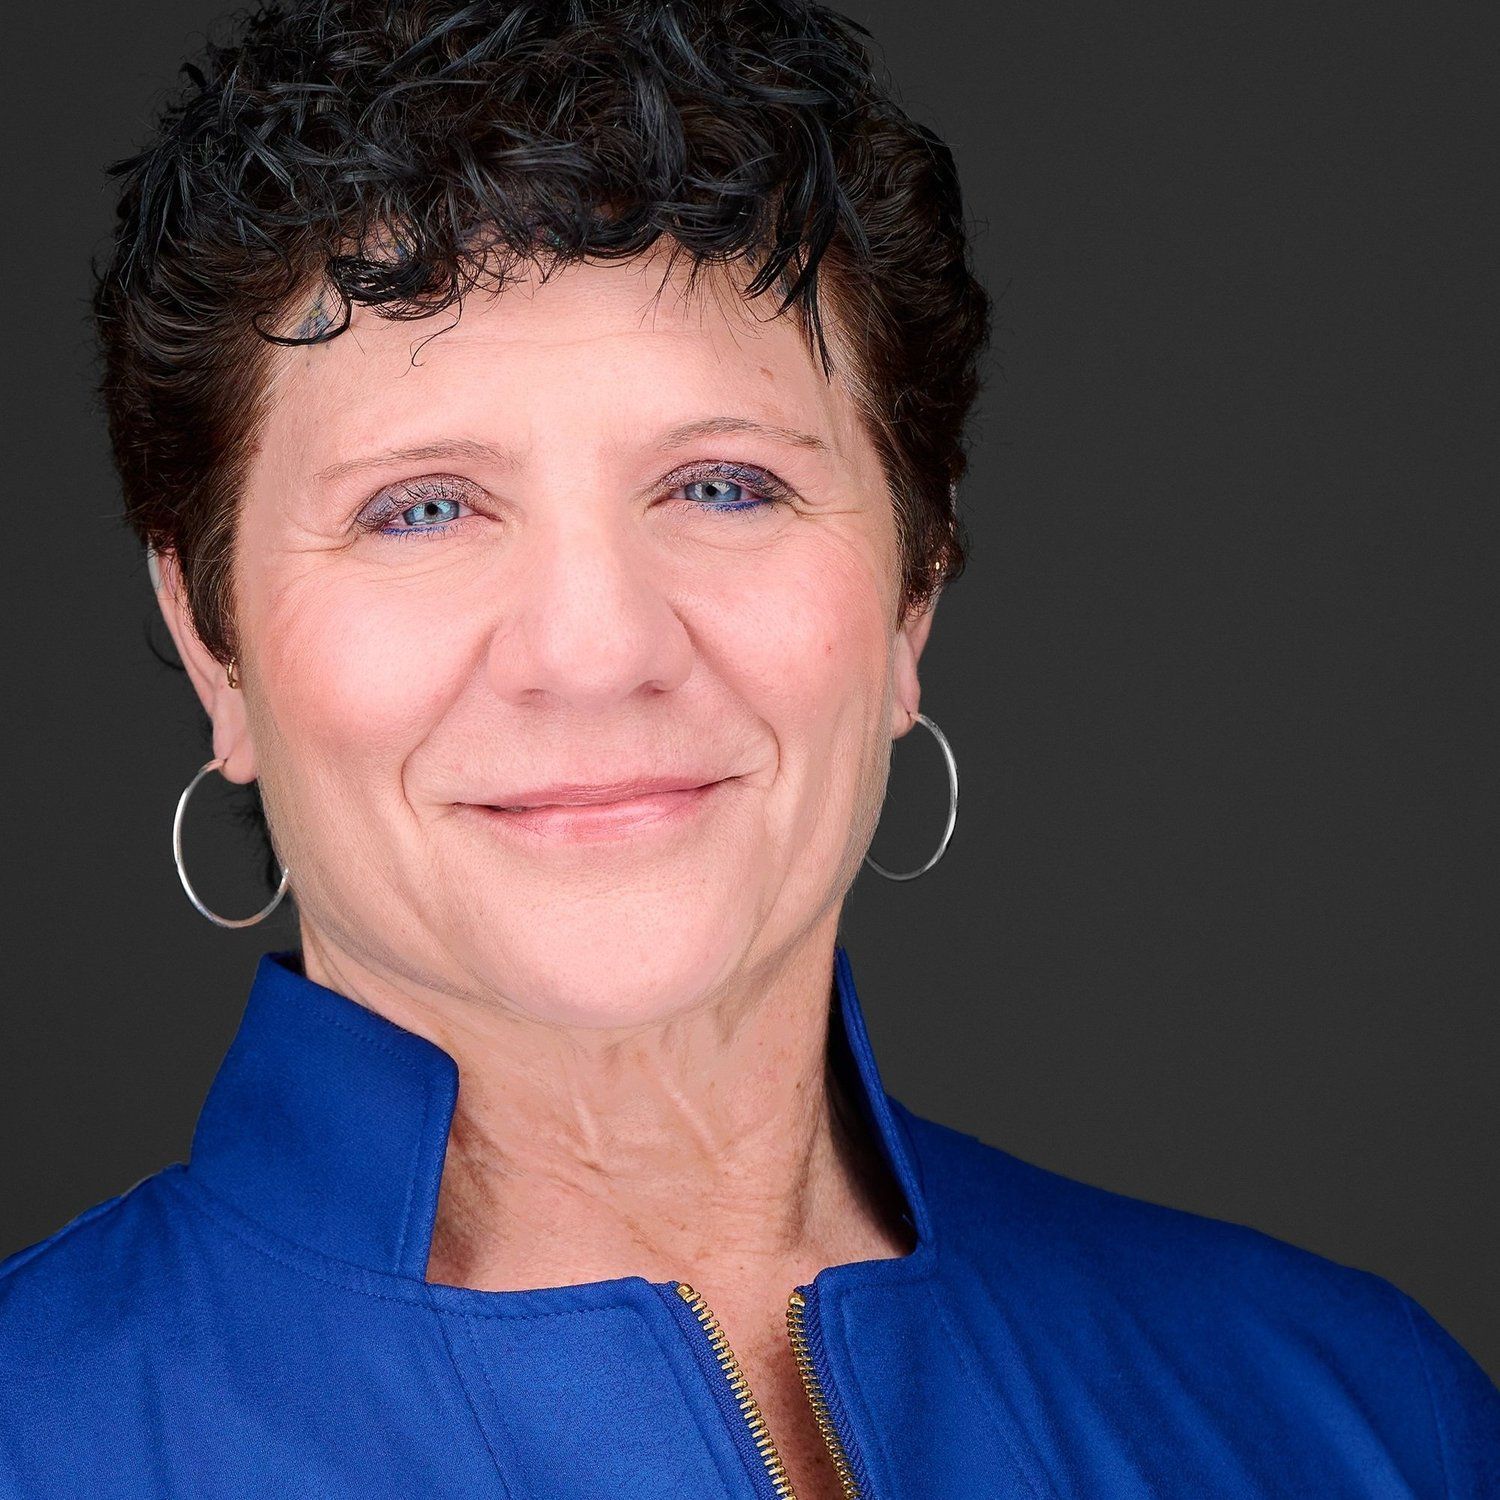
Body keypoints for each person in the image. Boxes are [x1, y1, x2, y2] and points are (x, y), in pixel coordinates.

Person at [2, 0, 1496, 1494]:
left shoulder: (1359, 1420)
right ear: (215, 639)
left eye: (722, 486)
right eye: (425, 508)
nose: (595, 651)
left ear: (914, 588)